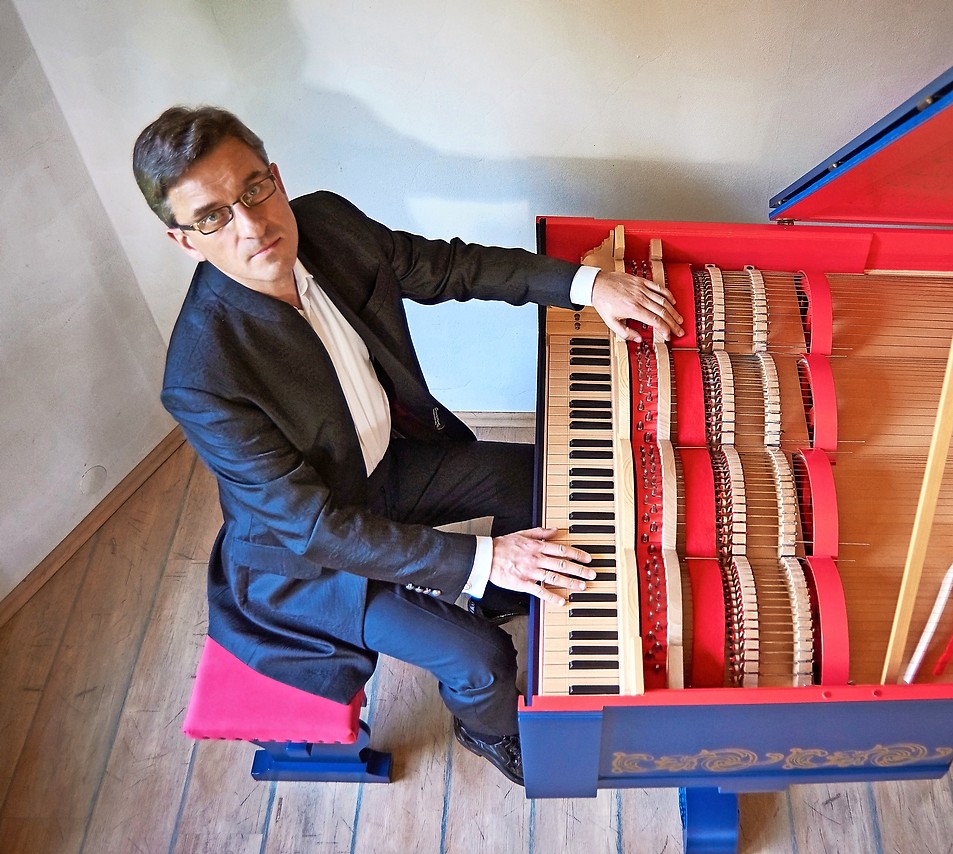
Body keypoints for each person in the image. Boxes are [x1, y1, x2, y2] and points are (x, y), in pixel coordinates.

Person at [132, 106, 683, 785]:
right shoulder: (201, 374)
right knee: (480, 659)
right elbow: (313, 527)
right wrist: (482, 556)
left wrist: (585, 283)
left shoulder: (327, 225)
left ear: (275, 177)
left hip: (388, 467)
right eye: (213, 216)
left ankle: (501, 591)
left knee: (537, 477)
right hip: (309, 562)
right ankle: (489, 731)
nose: (252, 225)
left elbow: (450, 268)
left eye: (254, 189)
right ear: (184, 241)